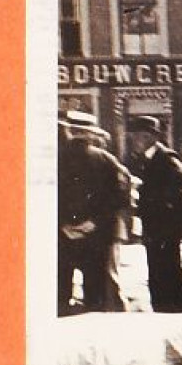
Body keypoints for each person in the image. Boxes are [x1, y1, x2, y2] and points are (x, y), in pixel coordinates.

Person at [57, 110, 131, 315]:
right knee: (97, 291)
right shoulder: (107, 160)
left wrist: (64, 224)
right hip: (98, 234)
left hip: (62, 234)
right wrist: (93, 222)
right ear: (91, 134)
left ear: (71, 131)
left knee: (61, 290)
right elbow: (120, 197)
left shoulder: (55, 159)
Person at [128, 115, 182, 313]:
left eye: (136, 137)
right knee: (158, 264)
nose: (133, 141)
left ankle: (176, 305)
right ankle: (164, 305)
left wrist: (162, 203)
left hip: (165, 224)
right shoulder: (148, 159)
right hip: (156, 223)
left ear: (149, 137)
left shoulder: (165, 157)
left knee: (167, 264)